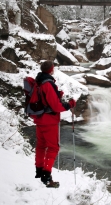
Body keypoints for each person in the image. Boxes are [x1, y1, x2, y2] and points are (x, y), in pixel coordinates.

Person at [33, 60, 76, 188]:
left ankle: (39, 171)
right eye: (53, 68)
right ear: (51, 70)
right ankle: (46, 177)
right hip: (49, 121)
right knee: (53, 148)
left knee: (41, 145)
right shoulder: (48, 83)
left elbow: (45, 99)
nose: (54, 69)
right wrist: (69, 105)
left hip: (40, 119)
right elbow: (56, 107)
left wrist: (57, 95)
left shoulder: (39, 82)